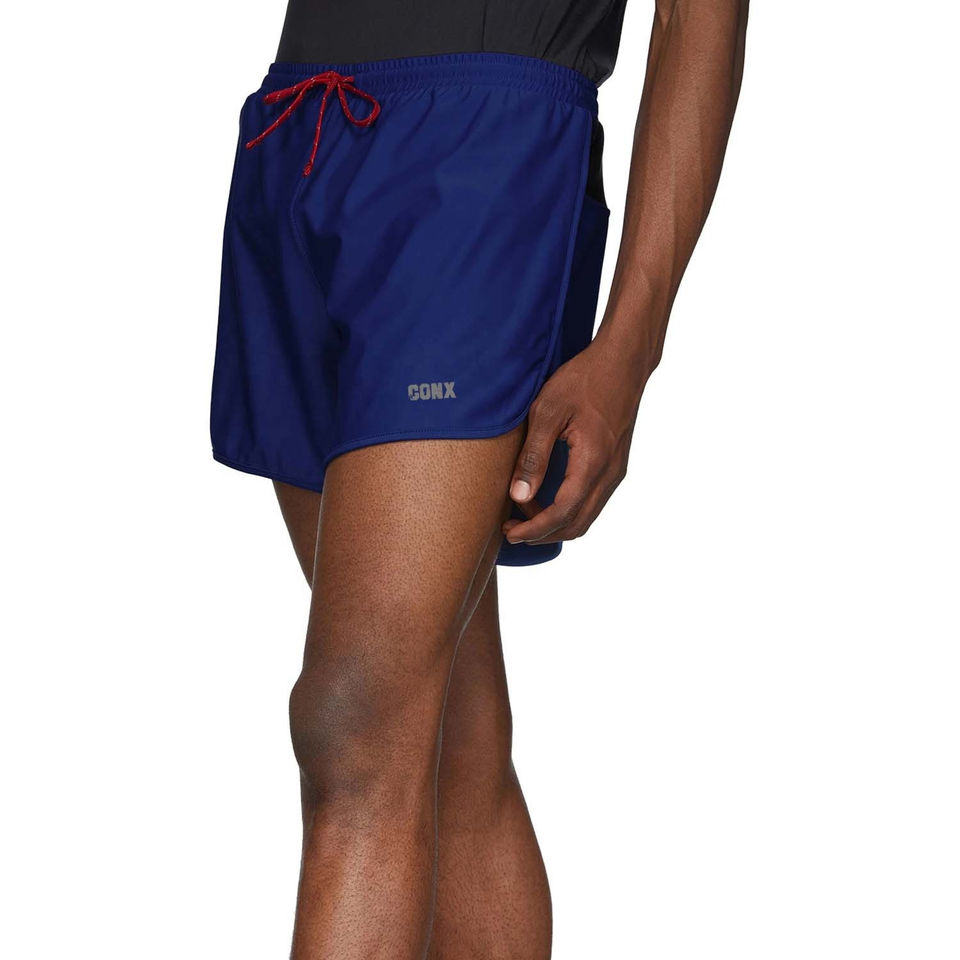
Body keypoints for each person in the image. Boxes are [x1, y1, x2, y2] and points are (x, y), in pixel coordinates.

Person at [210, 0, 749, 955]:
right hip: (299, 126)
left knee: (352, 723)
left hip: (480, 143)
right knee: (448, 741)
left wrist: (629, 348)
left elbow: (699, 13)